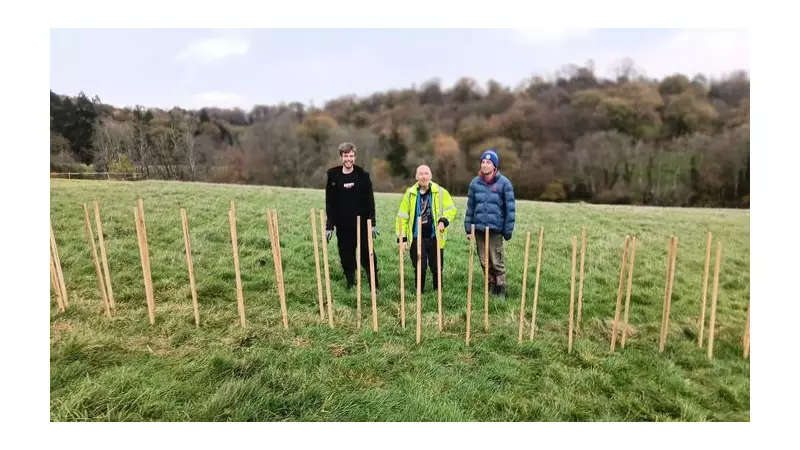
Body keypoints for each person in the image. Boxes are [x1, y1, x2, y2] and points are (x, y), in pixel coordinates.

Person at [324, 142, 380, 290]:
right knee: (346, 254)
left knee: (367, 255)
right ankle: (351, 284)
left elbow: (370, 201)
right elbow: (330, 202)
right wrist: (329, 226)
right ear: (341, 157)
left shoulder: (362, 176)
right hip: (343, 225)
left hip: (361, 224)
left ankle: (374, 285)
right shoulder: (333, 176)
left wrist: (372, 223)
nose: (348, 159)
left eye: (351, 156)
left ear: (355, 157)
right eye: (345, 156)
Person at [395, 165, 458, 292]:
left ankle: (437, 291)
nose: (423, 176)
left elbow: (451, 209)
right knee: (420, 266)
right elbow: (402, 217)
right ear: (416, 177)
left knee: (437, 266)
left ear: (430, 176)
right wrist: (402, 238)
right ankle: (419, 291)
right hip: (417, 236)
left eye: (426, 173)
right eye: (420, 174)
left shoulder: (441, 192)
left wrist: (443, 221)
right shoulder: (410, 194)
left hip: (435, 236)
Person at [464, 149, 516, 299]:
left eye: (488, 162)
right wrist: (468, 228)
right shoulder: (475, 183)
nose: (485, 165)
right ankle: (490, 286)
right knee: (484, 261)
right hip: (479, 229)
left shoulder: (504, 184)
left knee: (496, 260)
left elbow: (510, 209)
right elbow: (470, 207)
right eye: (483, 162)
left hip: (495, 229)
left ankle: (501, 288)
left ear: (495, 166)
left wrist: (507, 230)